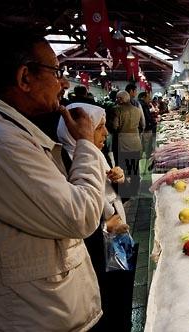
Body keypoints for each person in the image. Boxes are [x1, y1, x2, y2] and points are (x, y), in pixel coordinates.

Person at [0, 28, 105, 330]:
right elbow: (80, 215)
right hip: (40, 316)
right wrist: (85, 143)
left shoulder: (13, 130)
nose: (64, 83)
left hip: (50, 308)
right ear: (24, 78)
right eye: (56, 71)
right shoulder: (3, 142)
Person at [57, 102, 131, 331]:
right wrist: (105, 227)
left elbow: (117, 197)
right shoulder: (64, 162)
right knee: (107, 299)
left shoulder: (96, 155)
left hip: (118, 237)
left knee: (123, 291)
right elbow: (74, 216)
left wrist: (119, 180)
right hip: (96, 247)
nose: (106, 133)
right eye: (99, 127)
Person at [111, 90, 142, 201]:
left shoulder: (117, 110)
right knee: (134, 167)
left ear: (120, 99)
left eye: (118, 98)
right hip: (135, 142)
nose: (116, 100)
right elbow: (142, 124)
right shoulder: (137, 110)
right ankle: (135, 189)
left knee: (123, 168)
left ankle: (125, 194)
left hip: (123, 144)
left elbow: (115, 126)